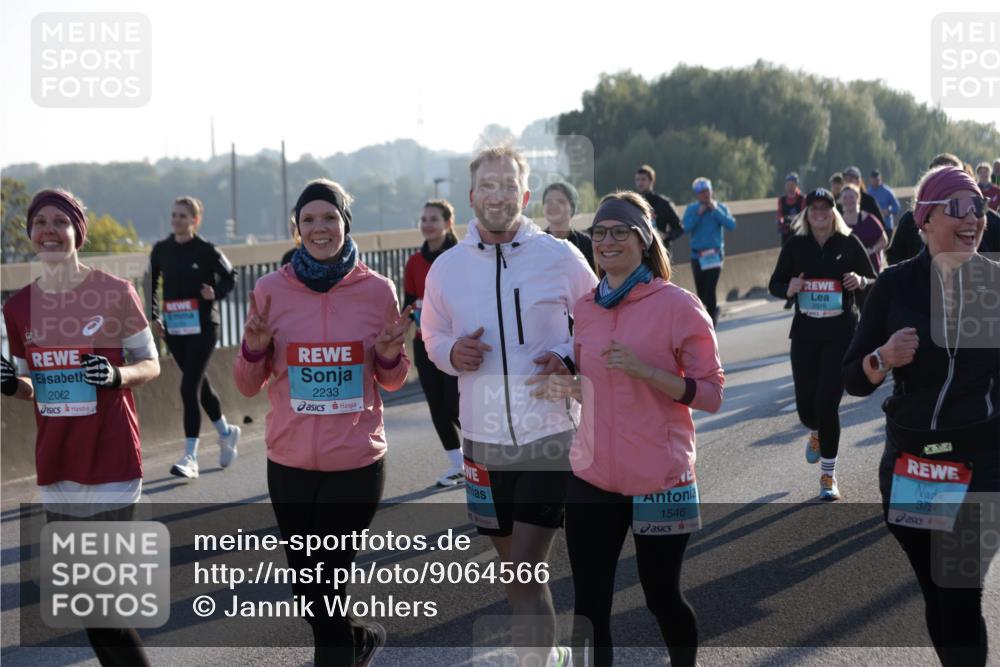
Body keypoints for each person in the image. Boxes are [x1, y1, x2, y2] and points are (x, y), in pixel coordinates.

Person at [421, 146, 597, 667]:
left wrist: (566, 355)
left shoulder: (560, 256)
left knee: (523, 570)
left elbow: (595, 321)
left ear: (524, 196)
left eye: (507, 186)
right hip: (480, 440)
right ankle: (552, 655)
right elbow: (432, 335)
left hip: (548, 436)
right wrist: (452, 352)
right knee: (516, 576)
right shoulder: (447, 268)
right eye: (486, 186)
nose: (497, 195)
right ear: (472, 196)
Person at [534, 191, 723, 667]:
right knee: (591, 607)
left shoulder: (679, 306)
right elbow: (596, 384)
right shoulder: (586, 307)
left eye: (620, 232)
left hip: (662, 477)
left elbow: (712, 394)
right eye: (599, 232)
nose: (607, 241)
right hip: (593, 475)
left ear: (643, 241)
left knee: (661, 598)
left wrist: (649, 373)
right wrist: (567, 381)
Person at [233, 179, 412, 666]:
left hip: (354, 461)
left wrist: (392, 355)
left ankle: (336, 654)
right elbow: (248, 384)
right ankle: (357, 640)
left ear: (345, 223)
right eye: (308, 220)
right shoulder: (270, 291)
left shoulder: (377, 291)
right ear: (296, 230)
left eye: (329, 218)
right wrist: (252, 348)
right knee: (306, 588)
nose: (320, 228)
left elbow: (392, 380)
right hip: (289, 461)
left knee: (328, 580)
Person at [843, 165, 999, 666]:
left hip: (979, 460)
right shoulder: (894, 286)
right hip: (914, 463)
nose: (973, 217)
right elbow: (852, 376)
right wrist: (882, 358)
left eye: (978, 207)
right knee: (937, 593)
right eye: (957, 207)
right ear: (925, 219)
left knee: (959, 590)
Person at [1, 188, 160, 667]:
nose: (49, 229)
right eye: (40, 222)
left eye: (60, 221)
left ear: (77, 232)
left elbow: (149, 363)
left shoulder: (115, 292)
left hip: (111, 459)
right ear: (31, 234)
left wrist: (117, 376)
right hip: (57, 465)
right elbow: (32, 384)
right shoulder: (18, 308)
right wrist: (13, 386)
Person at [768, 188, 876, 500]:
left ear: (833, 211)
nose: (820, 213)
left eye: (825, 208)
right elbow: (775, 284)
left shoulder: (847, 242)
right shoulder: (795, 246)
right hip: (805, 334)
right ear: (806, 214)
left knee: (828, 404)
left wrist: (860, 280)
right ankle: (814, 431)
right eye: (814, 208)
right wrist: (788, 288)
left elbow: (874, 278)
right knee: (807, 408)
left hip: (841, 333)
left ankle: (828, 476)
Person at [149, 196, 240, 479]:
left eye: (183, 216)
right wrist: (154, 317)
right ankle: (226, 432)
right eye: (174, 215)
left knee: (188, 388)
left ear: (195, 220)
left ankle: (191, 457)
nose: (177, 220)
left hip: (203, 328)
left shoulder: (207, 250)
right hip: (175, 330)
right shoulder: (160, 250)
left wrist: (216, 293)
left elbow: (231, 276)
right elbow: (151, 286)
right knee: (199, 387)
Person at [403, 199, 463, 487]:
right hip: (423, 342)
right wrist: (399, 324)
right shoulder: (414, 262)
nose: (427, 224)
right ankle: (458, 465)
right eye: (424, 218)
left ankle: (488, 454)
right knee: (437, 406)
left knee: (455, 404)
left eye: (434, 219)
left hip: (457, 343)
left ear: (448, 223)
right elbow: (409, 301)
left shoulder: (463, 256)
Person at [888, 154, 1000, 265]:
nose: (971, 219)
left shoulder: (990, 221)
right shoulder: (909, 221)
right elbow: (894, 257)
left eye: (957, 176)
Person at [681, 177, 737, 327]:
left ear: (711, 191)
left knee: (710, 288)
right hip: (697, 256)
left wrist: (715, 211)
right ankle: (710, 311)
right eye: (701, 192)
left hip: (715, 256)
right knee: (701, 290)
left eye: (707, 191)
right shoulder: (692, 209)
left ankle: (711, 319)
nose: (705, 195)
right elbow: (684, 228)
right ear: (697, 195)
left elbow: (731, 225)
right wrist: (698, 215)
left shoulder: (720, 207)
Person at [542, 181, 595, 270]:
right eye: (548, 201)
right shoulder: (535, 243)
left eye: (561, 201)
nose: (553, 205)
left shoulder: (586, 244)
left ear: (572, 207)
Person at [634, 164, 683, 254]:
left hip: (661, 252)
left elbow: (679, 228)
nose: (640, 183)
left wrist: (666, 236)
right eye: (637, 180)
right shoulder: (632, 204)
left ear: (651, 181)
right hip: (639, 254)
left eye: (643, 179)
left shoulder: (664, 203)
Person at [840, 183, 888, 274]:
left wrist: (871, 250)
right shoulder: (837, 222)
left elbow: (884, 240)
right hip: (847, 271)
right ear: (840, 200)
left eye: (851, 197)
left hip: (870, 268)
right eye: (845, 197)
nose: (848, 200)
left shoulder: (869, 219)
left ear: (858, 199)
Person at [777, 172, 806, 247]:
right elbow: (780, 213)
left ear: (796, 185)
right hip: (786, 231)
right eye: (788, 184)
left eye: (792, 184)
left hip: (799, 230)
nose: (790, 187)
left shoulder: (802, 199)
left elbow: (804, 213)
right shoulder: (782, 200)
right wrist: (781, 221)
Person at [868, 170, 902, 234]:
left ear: (880, 179)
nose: (875, 181)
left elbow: (897, 207)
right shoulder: (868, 192)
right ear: (870, 179)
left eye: (877, 179)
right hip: (872, 226)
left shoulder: (887, 191)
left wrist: (889, 211)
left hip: (886, 226)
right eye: (873, 179)